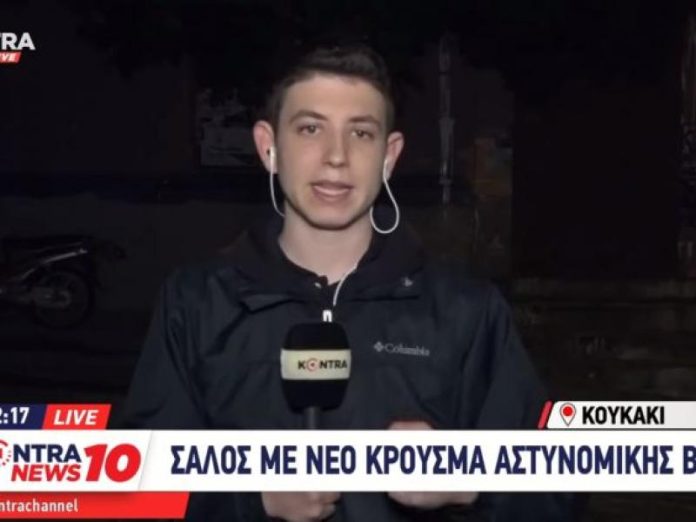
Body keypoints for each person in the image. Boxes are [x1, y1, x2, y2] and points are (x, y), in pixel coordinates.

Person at [121, 44, 576, 521]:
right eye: (310, 129)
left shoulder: (466, 312)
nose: (336, 157)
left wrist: (469, 481)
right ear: (268, 147)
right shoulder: (195, 303)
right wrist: (250, 500)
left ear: (389, 156)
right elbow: (136, 495)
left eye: (361, 132)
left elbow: (558, 491)